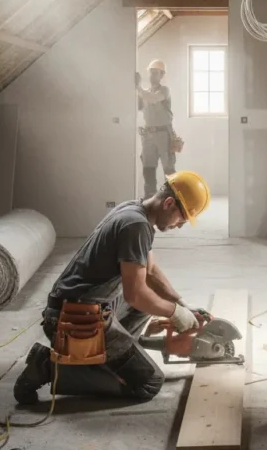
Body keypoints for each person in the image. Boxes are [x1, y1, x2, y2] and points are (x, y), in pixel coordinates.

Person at [13, 171, 211, 405]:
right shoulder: (136, 226)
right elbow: (135, 294)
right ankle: (47, 367)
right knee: (149, 383)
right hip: (74, 319)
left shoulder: (135, 211)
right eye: (182, 219)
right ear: (169, 203)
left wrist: (180, 304)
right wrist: (174, 313)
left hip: (78, 305)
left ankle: (115, 358)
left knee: (149, 305)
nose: (180, 226)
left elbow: (149, 271)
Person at [136, 59, 179, 198]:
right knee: (148, 168)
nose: (153, 75)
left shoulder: (164, 90)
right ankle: (150, 199)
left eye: (156, 73)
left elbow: (153, 99)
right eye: (151, 72)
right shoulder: (144, 92)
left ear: (162, 75)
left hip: (163, 134)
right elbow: (139, 107)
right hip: (148, 135)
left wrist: (138, 88)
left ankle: (173, 199)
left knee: (169, 169)